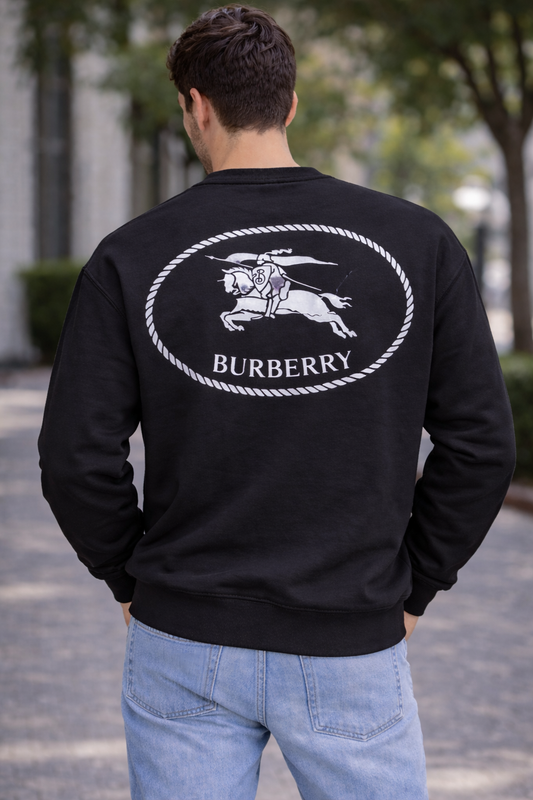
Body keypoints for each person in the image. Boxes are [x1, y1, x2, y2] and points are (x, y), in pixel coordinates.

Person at [38, 5, 515, 800]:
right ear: (291, 104)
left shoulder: (131, 255)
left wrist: (128, 576)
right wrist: (415, 585)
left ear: (195, 106)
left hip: (184, 635)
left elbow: (73, 457)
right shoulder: (419, 242)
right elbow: (481, 446)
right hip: (349, 636)